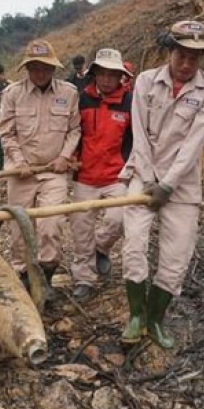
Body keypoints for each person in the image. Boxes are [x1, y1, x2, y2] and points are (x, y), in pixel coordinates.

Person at [118, 20, 204, 349]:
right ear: (170, 51)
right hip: (144, 174)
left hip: (182, 184)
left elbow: (194, 144)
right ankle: (135, 314)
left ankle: (155, 319)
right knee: (134, 243)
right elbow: (139, 134)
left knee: (177, 255)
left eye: (195, 57)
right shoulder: (146, 82)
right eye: (182, 55)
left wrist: (168, 184)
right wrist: (150, 181)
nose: (187, 63)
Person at [0, 40, 80, 294]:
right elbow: (6, 132)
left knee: (51, 224)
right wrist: (18, 160)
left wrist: (64, 157)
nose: (40, 72)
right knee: (19, 229)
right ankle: (22, 274)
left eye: (45, 67)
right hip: (21, 171)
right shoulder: (12, 94)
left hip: (54, 171)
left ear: (53, 68)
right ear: (27, 68)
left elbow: (75, 130)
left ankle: (46, 275)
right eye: (35, 67)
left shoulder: (68, 93)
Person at [69, 48, 133, 300]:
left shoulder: (129, 102)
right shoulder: (82, 100)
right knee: (81, 228)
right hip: (85, 175)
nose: (106, 80)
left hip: (116, 175)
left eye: (112, 75)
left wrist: (130, 168)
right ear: (94, 74)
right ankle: (84, 278)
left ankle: (101, 248)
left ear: (121, 77)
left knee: (118, 218)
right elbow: (73, 133)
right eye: (102, 74)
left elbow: (135, 139)